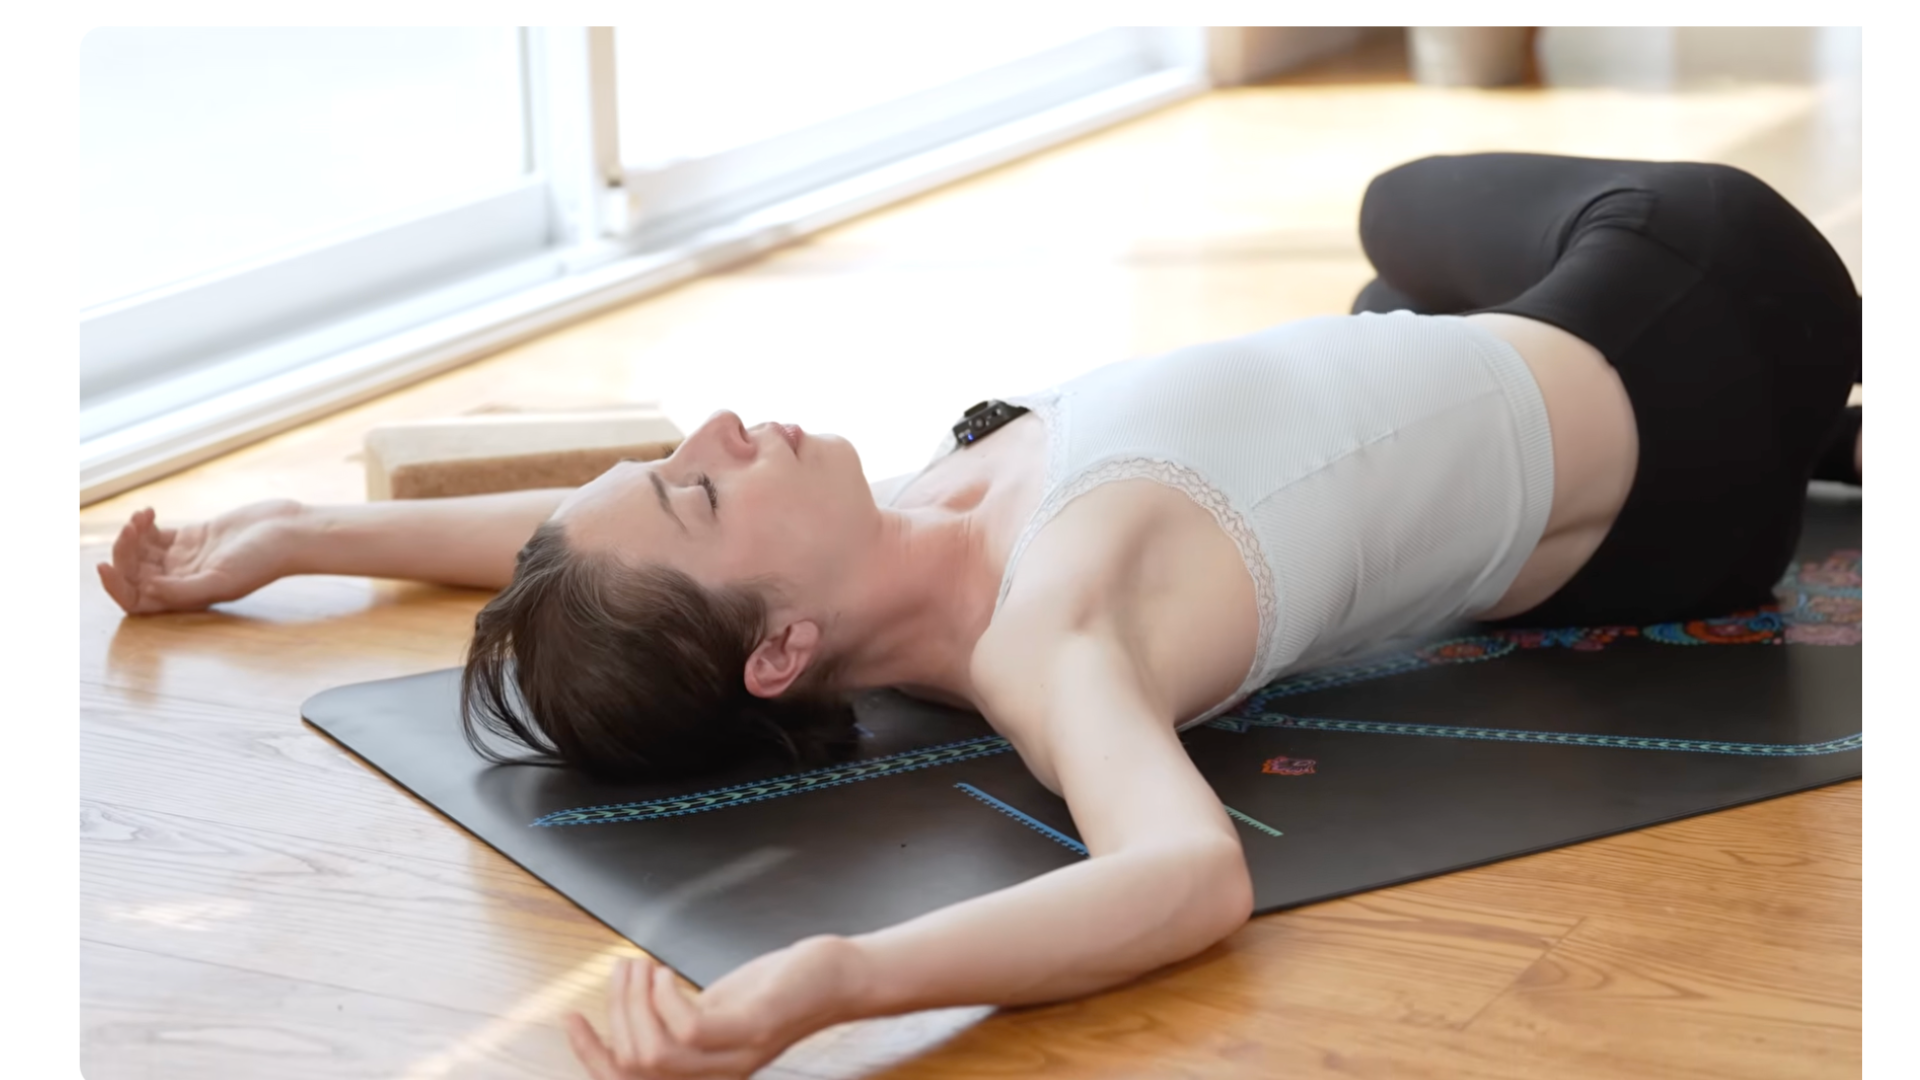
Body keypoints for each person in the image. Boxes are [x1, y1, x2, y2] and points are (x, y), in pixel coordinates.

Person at [98, 153, 1861, 1080]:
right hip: (1703, 322)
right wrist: (824, 984)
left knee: (1388, 279)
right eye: (706, 486)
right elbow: (1184, 877)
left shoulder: (881, 540)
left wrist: (288, 531)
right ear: (779, 651)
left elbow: (583, 557)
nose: (715, 430)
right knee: (1395, 217)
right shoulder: (1055, 623)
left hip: (1639, 537)